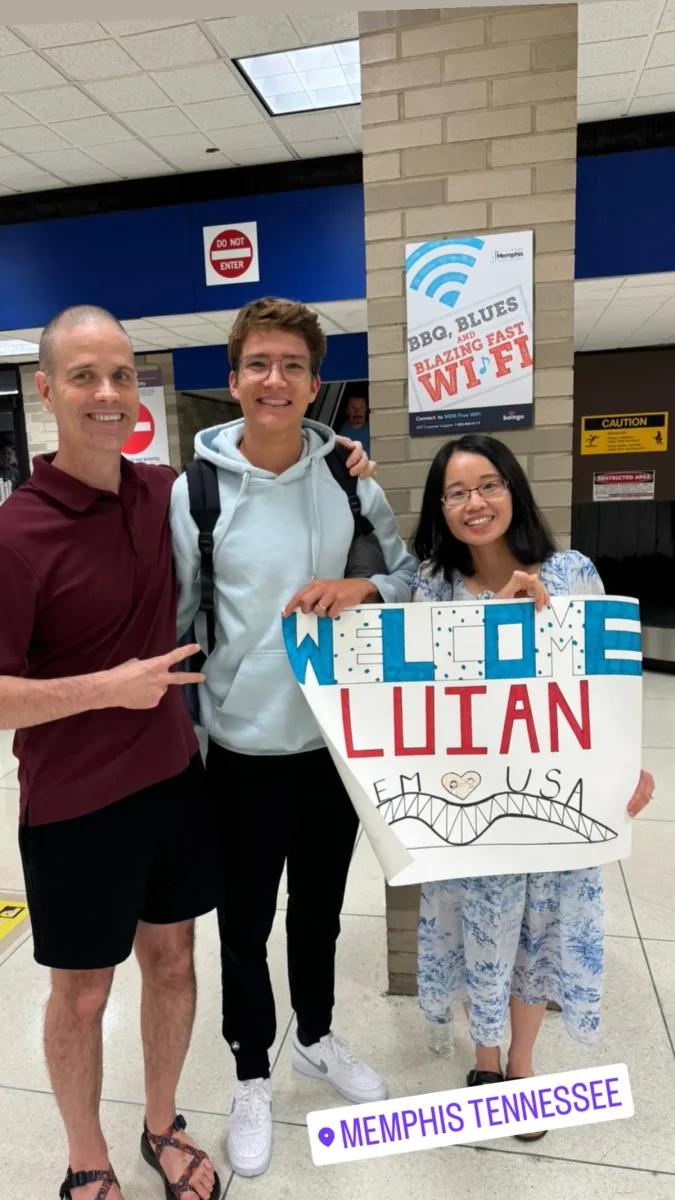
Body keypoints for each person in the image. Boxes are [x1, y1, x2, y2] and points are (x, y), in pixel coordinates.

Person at [0, 304, 373, 1200]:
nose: (107, 393)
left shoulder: (164, 489)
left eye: (122, 375)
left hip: (176, 782)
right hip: (75, 802)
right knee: (83, 995)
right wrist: (104, 688)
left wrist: (342, 453)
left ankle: (162, 1124)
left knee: (173, 965)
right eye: (84, 376)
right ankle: (86, 1159)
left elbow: (265, 456)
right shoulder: (15, 532)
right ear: (45, 389)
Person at [170, 297, 418, 1178]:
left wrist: (363, 592)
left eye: (293, 367)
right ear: (234, 379)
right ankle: (249, 1070)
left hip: (333, 746)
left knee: (317, 911)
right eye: (258, 364)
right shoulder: (192, 491)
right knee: (243, 922)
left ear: (316, 384)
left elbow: (407, 578)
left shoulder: (354, 481)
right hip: (239, 751)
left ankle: (312, 1034)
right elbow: (179, 621)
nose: (274, 381)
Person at [410, 433, 654, 1141]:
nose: (473, 502)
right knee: (478, 932)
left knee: (539, 933)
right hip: (467, 804)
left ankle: (520, 1065)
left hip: (554, 802)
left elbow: (609, 682)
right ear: (440, 508)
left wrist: (624, 767)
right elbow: (417, 691)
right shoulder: (432, 584)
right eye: (454, 492)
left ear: (512, 490)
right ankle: (483, 1062)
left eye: (486, 484)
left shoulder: (571, 571)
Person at [339, 394, 370, 458]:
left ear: (366, 409)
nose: (357, 412)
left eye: (361, 407)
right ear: (347, 410)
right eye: (353, 407)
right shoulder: (339, 435)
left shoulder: (373, 431)